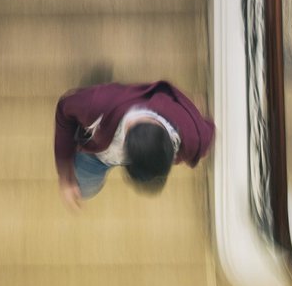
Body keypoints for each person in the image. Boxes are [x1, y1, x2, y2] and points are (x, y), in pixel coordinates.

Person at [54, 79, 215, 208]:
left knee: (80, 189)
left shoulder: (193, 139)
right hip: (96, 154)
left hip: (104, 140)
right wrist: (64, 168)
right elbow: (64, 108)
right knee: (81, 190)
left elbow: (207, 132)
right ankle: (96, 83)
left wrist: (193, 113)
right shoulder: (97, 104)